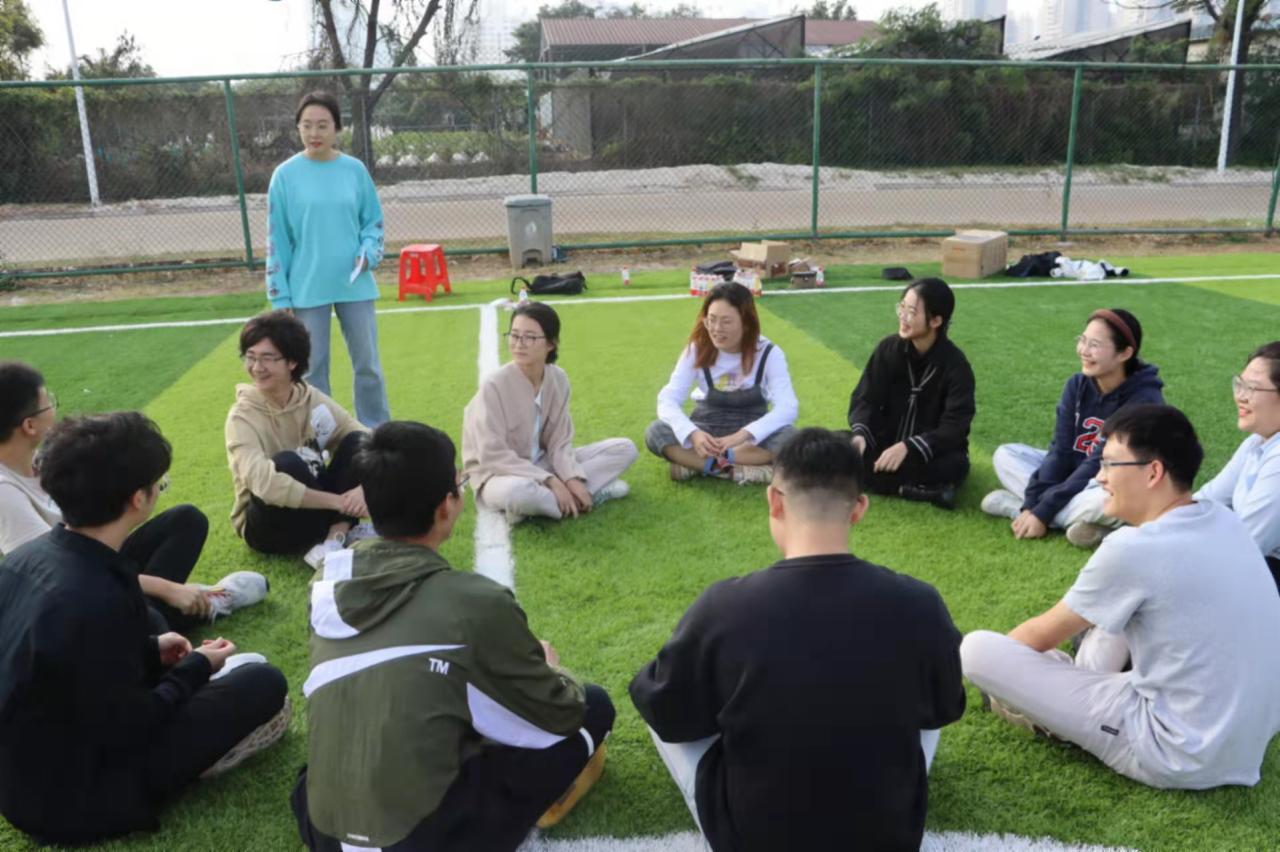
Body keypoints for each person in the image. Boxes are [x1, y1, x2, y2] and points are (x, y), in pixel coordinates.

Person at [630, 428, 965, 851]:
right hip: (888, 837)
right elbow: (945, 706)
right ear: (859, 509)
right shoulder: (920, 603)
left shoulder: (724, 606)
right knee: (921, 695)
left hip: (753, 839)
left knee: (665, 689)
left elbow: (664, 712)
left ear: (774, 501)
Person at [292, 421, 616, 852]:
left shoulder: (325, 586)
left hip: (323, 830)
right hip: (419, 840)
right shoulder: (474, 602)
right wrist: (549, 670)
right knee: (590, 707)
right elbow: (555, 717)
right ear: (448, 505)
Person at [0, 412, 290, 845]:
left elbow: (61, 669)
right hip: (76, 800)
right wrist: (195, 668)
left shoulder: (28, 559)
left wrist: (151, 651)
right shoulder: (96, 597)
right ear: (139, 498)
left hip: (23, 778)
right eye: (159, 484)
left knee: (157, 630)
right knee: (263, 682)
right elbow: (132, 727)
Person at [962, 404, 1280, 790]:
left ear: (1153, 472)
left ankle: (1058, 718)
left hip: (1173, 749)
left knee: (977, 650)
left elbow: (1038, 636)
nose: (1099, 476)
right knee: (1119, 613)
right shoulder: (1224, 520)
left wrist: (1009, 676)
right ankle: (1073, 686)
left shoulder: (1133, 548)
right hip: (1246, 740)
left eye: (1110, 464)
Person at [0, 361, 266, 633]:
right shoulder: (4, 492)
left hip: (96, 559)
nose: (55, 410)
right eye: (49, 404)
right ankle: (190, 608)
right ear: (29, 425)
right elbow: (58, 570)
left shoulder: (43, 459)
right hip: (70, 589)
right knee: (148, 621)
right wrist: (166, 588)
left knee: (187, 520)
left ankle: (169, 608)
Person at [981, 308, 1164, 548]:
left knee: (1108, 500)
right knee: (1006, 455)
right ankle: (1065, 519)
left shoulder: (1143, 401)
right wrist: (1033, 505)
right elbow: (1060, 450)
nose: (1083, 350)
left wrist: (1042, 511)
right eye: (1082, 340)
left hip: (1114, 480)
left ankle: (1020, 511)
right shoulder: (1077, 385)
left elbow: (1098, 463)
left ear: (1124, 353)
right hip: (1074, 474)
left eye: (1094, 345)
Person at [265, 90, 390, 428]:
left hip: (355, 284)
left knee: (368, 365)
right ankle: (321, 435)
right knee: (312, 368)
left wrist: (368, 253)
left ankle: (375, 431)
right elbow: (277, 239)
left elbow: (373, 222)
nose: (314, 133)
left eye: (323, 125)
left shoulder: (355, 170)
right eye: (306, 125)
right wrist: (280, 296)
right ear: (297, 127)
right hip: (306, 287)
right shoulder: (284, 176)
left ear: (337, 128)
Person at [463, 302, 637, 522]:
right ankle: (583, 495)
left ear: (551, 344)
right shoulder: (493, 386)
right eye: (514, 335)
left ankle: (544, 504)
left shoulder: (558, 379)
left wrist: (570, 477)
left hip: (544, 462)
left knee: (625, 449)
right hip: (500, 474)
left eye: (530, 337)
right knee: (519, 493)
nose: (519, 343)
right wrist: (550, 480)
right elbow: (492, 455)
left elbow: (559, 441)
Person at [225, 310, 370, 568]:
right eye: (251, 357)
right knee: (287, 463)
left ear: (292, 362)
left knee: (358, 442)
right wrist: (341, 503)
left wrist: (362, 489)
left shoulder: (309, 397)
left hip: (316, 509)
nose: (256, 367)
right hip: (269, 526)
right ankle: (343, 528)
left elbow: (365, 438)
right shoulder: (241, 417)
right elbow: (266, 485)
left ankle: (334, 537)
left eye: (267, 358)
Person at [645, 282, 798, 485]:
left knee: (792, 438)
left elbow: (788, 407)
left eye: (726, 321)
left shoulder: (769, 353)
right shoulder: (696, 349)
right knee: (656, 431)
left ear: (746, 322)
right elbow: (668, 399)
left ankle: (695, 464)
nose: (717, 329)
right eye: (712, 320)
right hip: (706, 431)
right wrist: (693, 434)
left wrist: (742, 435)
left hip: (748, 438)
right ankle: (732, 471)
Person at [847, 277, 975, 510]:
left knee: (955, 465)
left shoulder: (956, 366)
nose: (903, 317)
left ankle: (866, 478)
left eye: (912, 312)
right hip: (885, 442)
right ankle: (917, 491)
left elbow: (955, 427)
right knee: (836, 445)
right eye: (902, 307)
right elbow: (865, 398)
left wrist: (908, 446)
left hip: (928, 452)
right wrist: (860, 435)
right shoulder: (888, 349)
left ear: (936, 320)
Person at [1195, 342, 1280, 593]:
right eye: (1239, 384)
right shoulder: (1257, 442)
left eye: (1252, 388)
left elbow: (1246, 543)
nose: (1240, 396)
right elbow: (1208, 499)